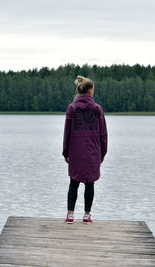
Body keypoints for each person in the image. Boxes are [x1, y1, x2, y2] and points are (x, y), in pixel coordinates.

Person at [62, 75, 108, 224]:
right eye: (93, 90)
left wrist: (66, 152)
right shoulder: (97, 109)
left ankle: (70, 215)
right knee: (90, 183)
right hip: (94, 151)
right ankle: (87, 215)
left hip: (76, 150)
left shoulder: (72, 108)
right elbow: (103, 134)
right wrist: (103, 153)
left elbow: (67, 133)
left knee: (73, 182)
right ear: (89, 91)